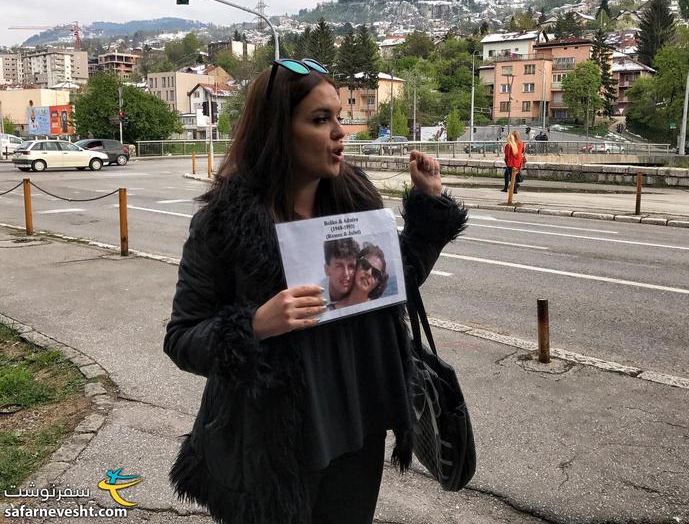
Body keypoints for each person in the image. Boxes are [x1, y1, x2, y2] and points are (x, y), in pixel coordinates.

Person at [164, 57, 468, 524]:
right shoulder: (225, 222)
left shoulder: (353, 200)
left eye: (339, 117)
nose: (339, 132)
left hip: (358, 433)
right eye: (320, 119)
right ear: (276, 131)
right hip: (270, 448)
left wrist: (428, 203)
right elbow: (182, 337)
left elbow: (392, 282)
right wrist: (254, 326)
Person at [334, 243, 388, 308]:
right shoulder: (329, 311)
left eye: (375, 273)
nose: (369, 273)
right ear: (357, 265)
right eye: (365, 265)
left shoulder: (380, 310)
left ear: (378, 284)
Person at [320, 237, 359, 305]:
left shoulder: (361, 291)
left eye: (351, 266)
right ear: (327, 270)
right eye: (339, 266)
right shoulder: (316, 298)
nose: (346, 274)